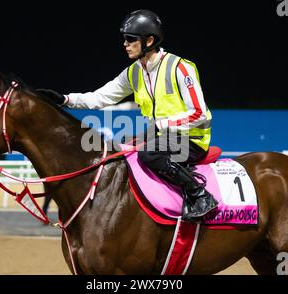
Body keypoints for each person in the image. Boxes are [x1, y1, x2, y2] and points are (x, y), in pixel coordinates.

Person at [38, 10, 217, 221]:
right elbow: (100, 98)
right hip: (160, 136)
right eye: (124, 39)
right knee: (118, 148)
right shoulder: (133, 72)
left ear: (149, 40)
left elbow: (199, 113)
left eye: (131, 39)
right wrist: (65, 99)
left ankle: (199, 194)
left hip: (191, 139)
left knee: (150, 154)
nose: (125, 44)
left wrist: (161, 124)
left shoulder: (180, 67)